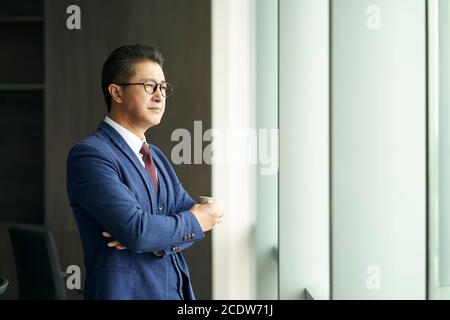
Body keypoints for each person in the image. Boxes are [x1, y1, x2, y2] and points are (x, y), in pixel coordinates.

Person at [66, 44, 224, 300]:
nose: (159, 96)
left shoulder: (157, 157)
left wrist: (154, 236)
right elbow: (139, 231)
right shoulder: (90, 155)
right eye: (149, 86)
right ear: (116, 92)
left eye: (163, 88)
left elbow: (149, 230)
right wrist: (187, 223)